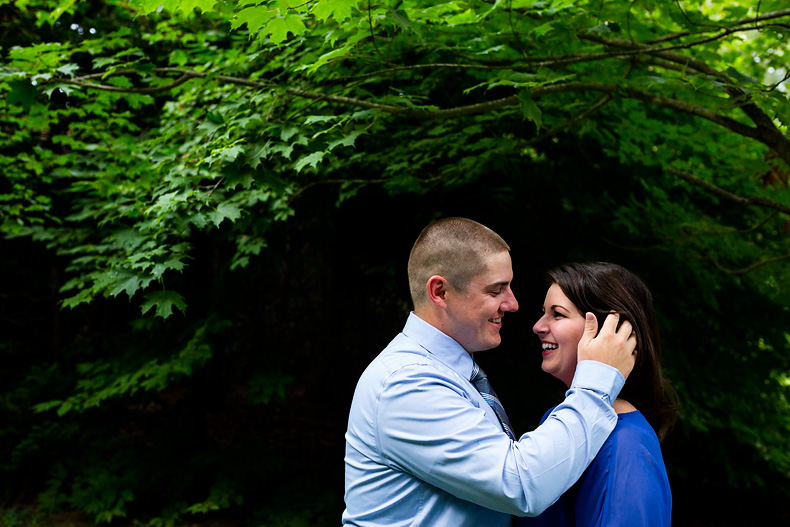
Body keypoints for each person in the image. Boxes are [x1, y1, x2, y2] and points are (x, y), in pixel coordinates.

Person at [343, 218, 638, 527]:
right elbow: (521, 486)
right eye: (496, 290)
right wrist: (597, 381)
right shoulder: (406, 383)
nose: (512, 304)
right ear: (440, 292)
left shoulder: (450, 374)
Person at [519, 262, 678, 527]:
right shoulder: (558, 420)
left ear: (609, 332)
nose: (537, 326)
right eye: (543, 313)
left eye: (557, 314)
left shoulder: (627, 444)